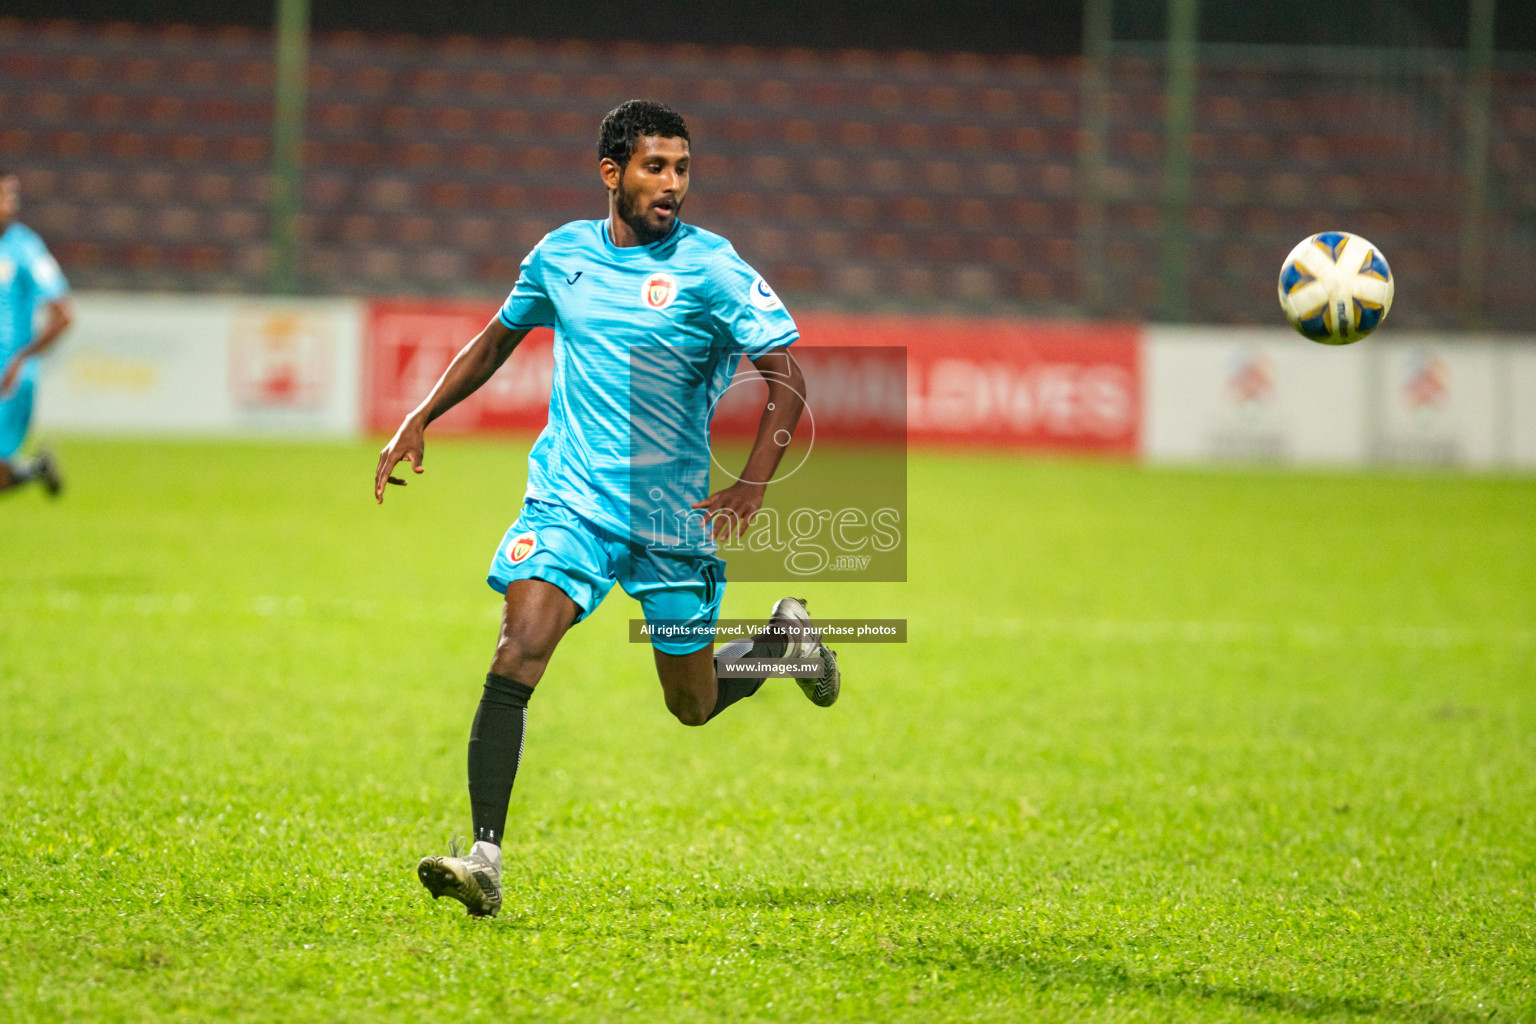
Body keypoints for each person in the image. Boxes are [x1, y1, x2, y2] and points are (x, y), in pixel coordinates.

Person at [374, 100, 841, 918]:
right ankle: (484, 856)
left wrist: (753, 483)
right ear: (611, 173)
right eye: (655, 167)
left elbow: (787, 375)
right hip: (572, 502)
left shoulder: (713, 268)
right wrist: (422, 413)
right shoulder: (562, 256)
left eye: (683, 169)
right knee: (518, 649)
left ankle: (780, 643)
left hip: (671, 517)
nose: (672, 185)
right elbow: (496, 337)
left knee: (691, 705)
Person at [0, 168, 72, 496]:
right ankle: (35, 469)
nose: (9, 202)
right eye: (3, 195)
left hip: (9, 381)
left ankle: (32, 469)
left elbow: (63, 314)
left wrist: (22, 359)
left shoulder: (25, 247)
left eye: (11, 195)